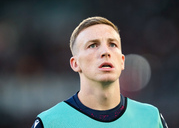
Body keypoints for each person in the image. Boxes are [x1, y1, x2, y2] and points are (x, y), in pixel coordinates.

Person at [31, 16, 168, 128]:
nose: (105, 52)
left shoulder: (151, 118)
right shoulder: (49, 123)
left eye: (112, 44)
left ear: (121, 61)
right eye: (93, 45)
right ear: (75, 63)